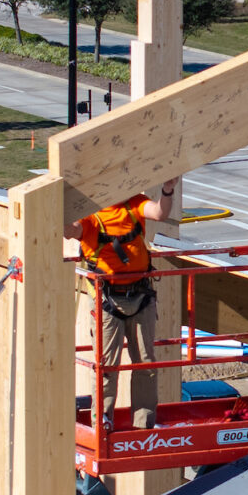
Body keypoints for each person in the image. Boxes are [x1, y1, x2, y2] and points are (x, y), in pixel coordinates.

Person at [65, 180, 177, 433]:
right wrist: (61, 207)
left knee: (145, 363)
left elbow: (160, 213)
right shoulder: (91, 217)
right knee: (106, 366)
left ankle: (144, 424)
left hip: (141, 296)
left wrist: (168, 190)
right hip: (109, 301)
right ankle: (103, 423)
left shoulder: (133, 205)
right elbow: (71, 230)